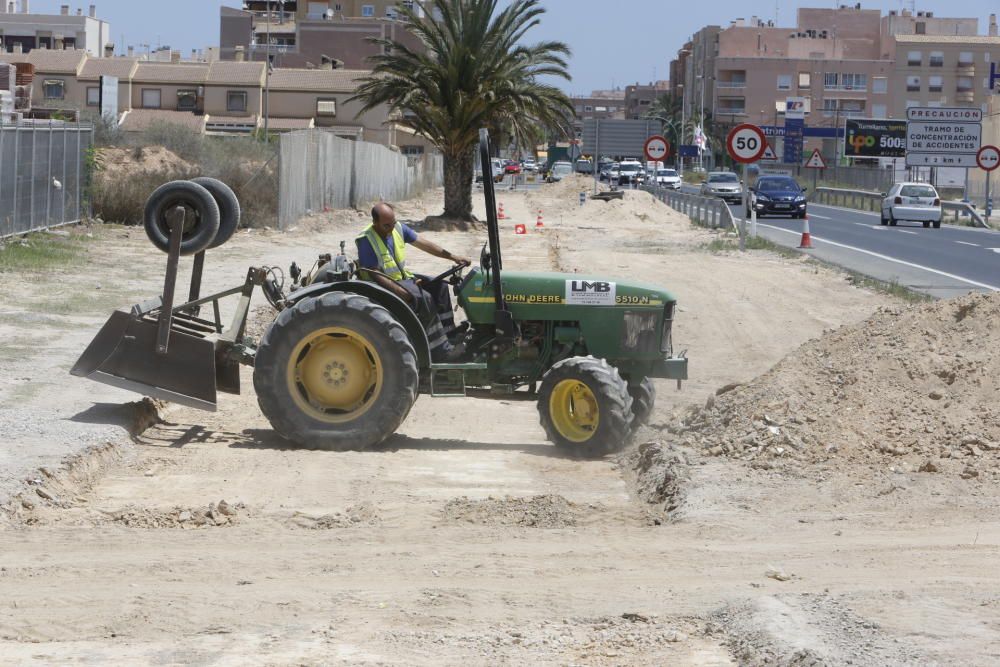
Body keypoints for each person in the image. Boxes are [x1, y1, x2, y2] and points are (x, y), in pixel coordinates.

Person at [356, 202, 471, 362]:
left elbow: (424, 244)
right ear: (375, 223)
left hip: (404, 278)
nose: (391, 228)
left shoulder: (397, 228)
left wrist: (452, 256)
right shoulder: (366, 239)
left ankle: (449, 335)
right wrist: (403, 293)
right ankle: (440, 351)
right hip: (383, 285)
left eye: (393, 222)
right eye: (386, 225)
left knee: (440, 287)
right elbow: (374, 273)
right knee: (425, 298)